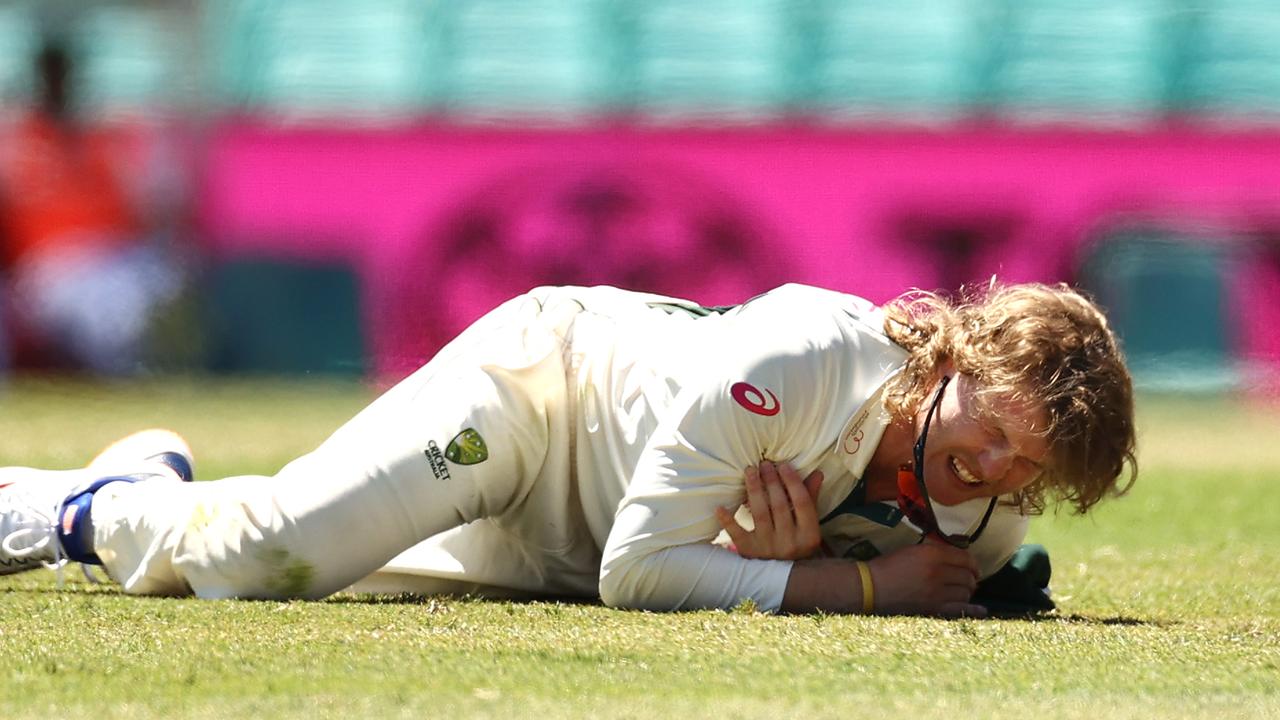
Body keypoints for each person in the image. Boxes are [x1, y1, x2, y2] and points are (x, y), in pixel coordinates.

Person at [0, 281, 1136, 616]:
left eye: (1026, 471)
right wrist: (846, 584)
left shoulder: (997, 511)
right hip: (536, 404)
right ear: (948, 362)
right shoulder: (802, 360)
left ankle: (147, 486)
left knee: (291, 539)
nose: (988, 477)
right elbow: (640, 575)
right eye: (988, 432)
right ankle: (76, 511)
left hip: (566, 549)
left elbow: (993, 575)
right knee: (269, 563)